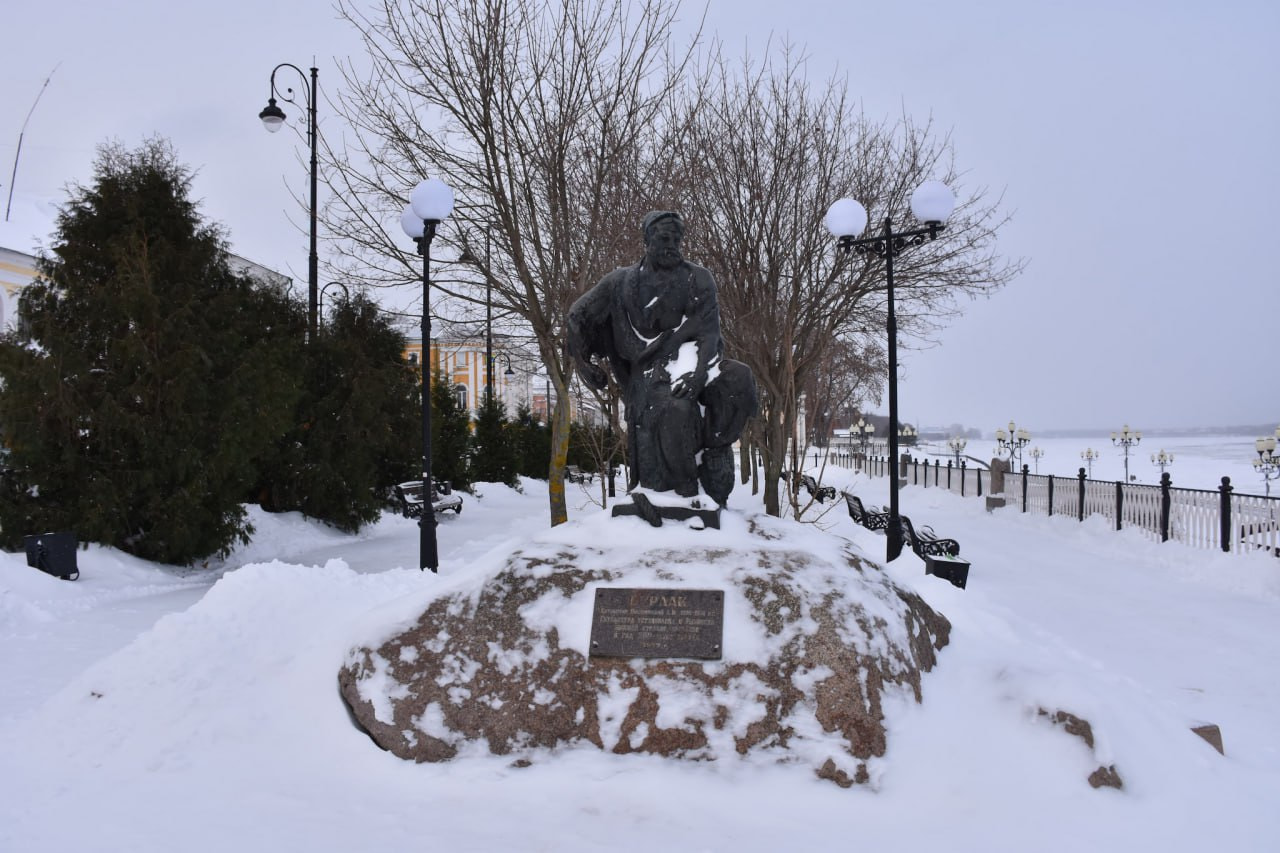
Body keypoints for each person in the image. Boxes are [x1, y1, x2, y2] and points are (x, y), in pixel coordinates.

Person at [568, 211, 757, 508]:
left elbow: (709, 334)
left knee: (739, 379)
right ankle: (685, 492)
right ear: (647, 240)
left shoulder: (698, 278)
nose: (672, 245)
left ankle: (716, 454)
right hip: (646, 370)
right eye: (664, 238)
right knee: (675, 409)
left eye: (677, 239)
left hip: (695, 360)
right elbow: (577, 316)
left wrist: (696, 376)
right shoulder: (620, 282)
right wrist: (583, 364)